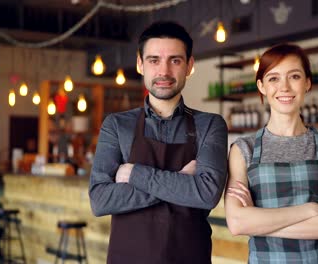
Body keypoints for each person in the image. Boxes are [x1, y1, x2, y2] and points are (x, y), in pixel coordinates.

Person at [89, 21, 228, 264]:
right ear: (140, 64)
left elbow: (206, 195)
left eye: (175, 60)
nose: (164, 71)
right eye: (154, 60)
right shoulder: (116, 125)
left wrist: (135, 174)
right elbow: (100, 200)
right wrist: (181, 181)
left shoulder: (210, 125)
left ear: (189, 66)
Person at [225, 43, 318, 263]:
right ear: (261, 86)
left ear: (307, 83)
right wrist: (309, 210)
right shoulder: (243, 150)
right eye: (273, 78)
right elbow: (237, 223)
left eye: (294, 76)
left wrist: (258, 223)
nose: (284, 87)